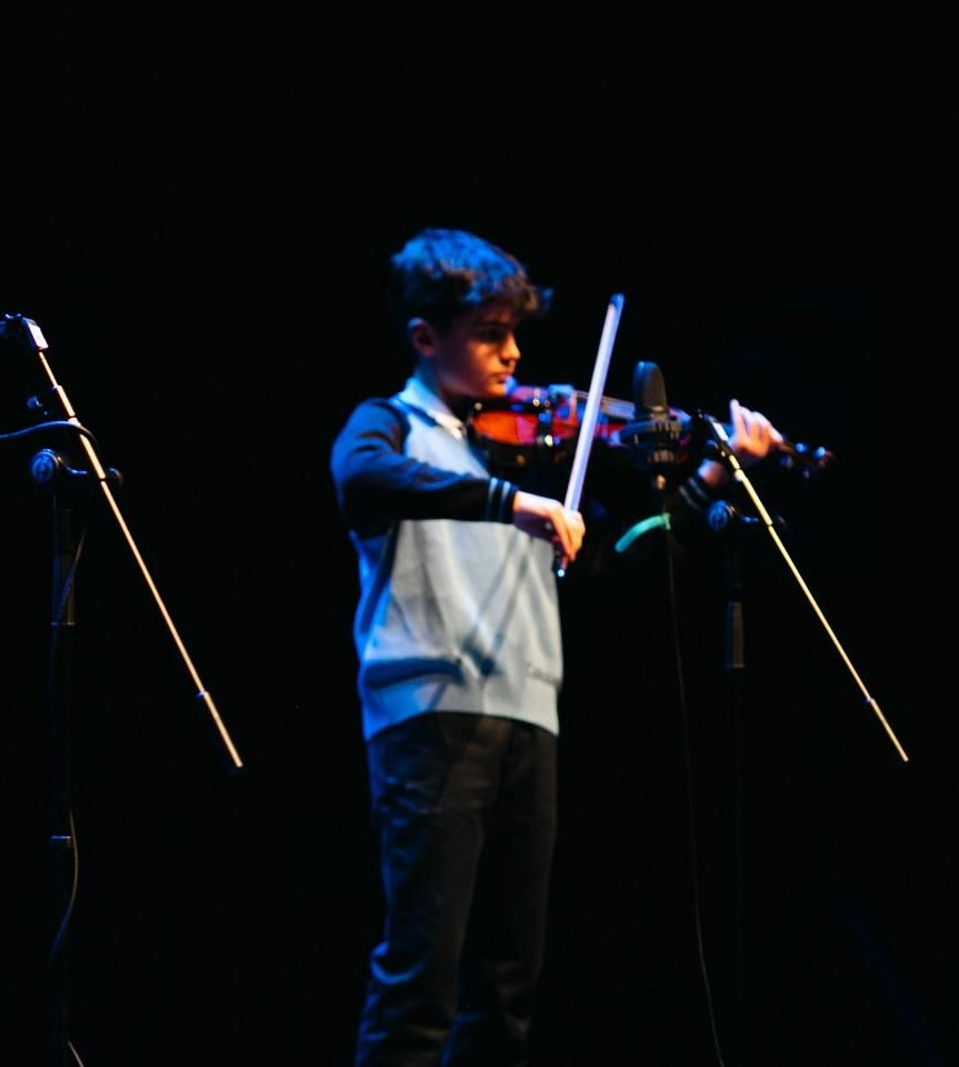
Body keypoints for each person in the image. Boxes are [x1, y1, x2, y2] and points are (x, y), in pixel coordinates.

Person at [331, 228, 777, 1066]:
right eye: (490, 332)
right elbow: (361, 479)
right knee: (421, 981)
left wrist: (706, 482)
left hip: (530, 718)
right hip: (431, 719)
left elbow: (609, 557)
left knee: (507, 991)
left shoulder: (517, 445)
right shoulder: (389, 427)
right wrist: (513, 502)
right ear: (427, 338)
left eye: (514, 331)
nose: (512, 352)